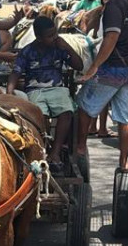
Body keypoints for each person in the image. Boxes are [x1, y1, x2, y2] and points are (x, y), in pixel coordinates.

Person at [74, 0, 128, 174]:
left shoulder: (115, 6)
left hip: (113, 68)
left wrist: (93, 67)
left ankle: (79, 147)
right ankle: (123, 162)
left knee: (84, 105)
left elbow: (111, 38)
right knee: (126, 118)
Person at [8, 16, 83, 169]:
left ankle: (55, 152)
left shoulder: (59, 48)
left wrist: (68, 48)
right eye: (50, 36)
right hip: (35, 90)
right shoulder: (27, 51)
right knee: (41, 116)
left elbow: (79, 66)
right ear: (38, 37)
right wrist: (10, 91)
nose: (54, 38)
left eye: (55, 33)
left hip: (57, 88)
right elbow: (16, 72)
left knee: (66, 111)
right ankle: (44, 149)